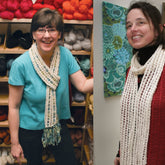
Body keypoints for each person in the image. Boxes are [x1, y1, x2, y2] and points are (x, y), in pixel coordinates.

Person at [8, 8, 93, 165]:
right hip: (30, 129)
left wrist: (108, 77)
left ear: (59, 34)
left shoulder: (65, 55)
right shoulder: (20, 65)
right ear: (33, 34)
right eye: (41, 30)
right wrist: (14, 143)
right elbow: (13, 106)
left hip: (57, 124)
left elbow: (83, 84)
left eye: (52, 30)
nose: (46, 35)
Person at [114, 1, 165, 165]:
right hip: (131, 158)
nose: (133, 29)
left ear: (158, 29)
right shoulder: (132, 71)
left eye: (140, 22)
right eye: (129, 26)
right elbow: (131, 118)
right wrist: (120, 153)